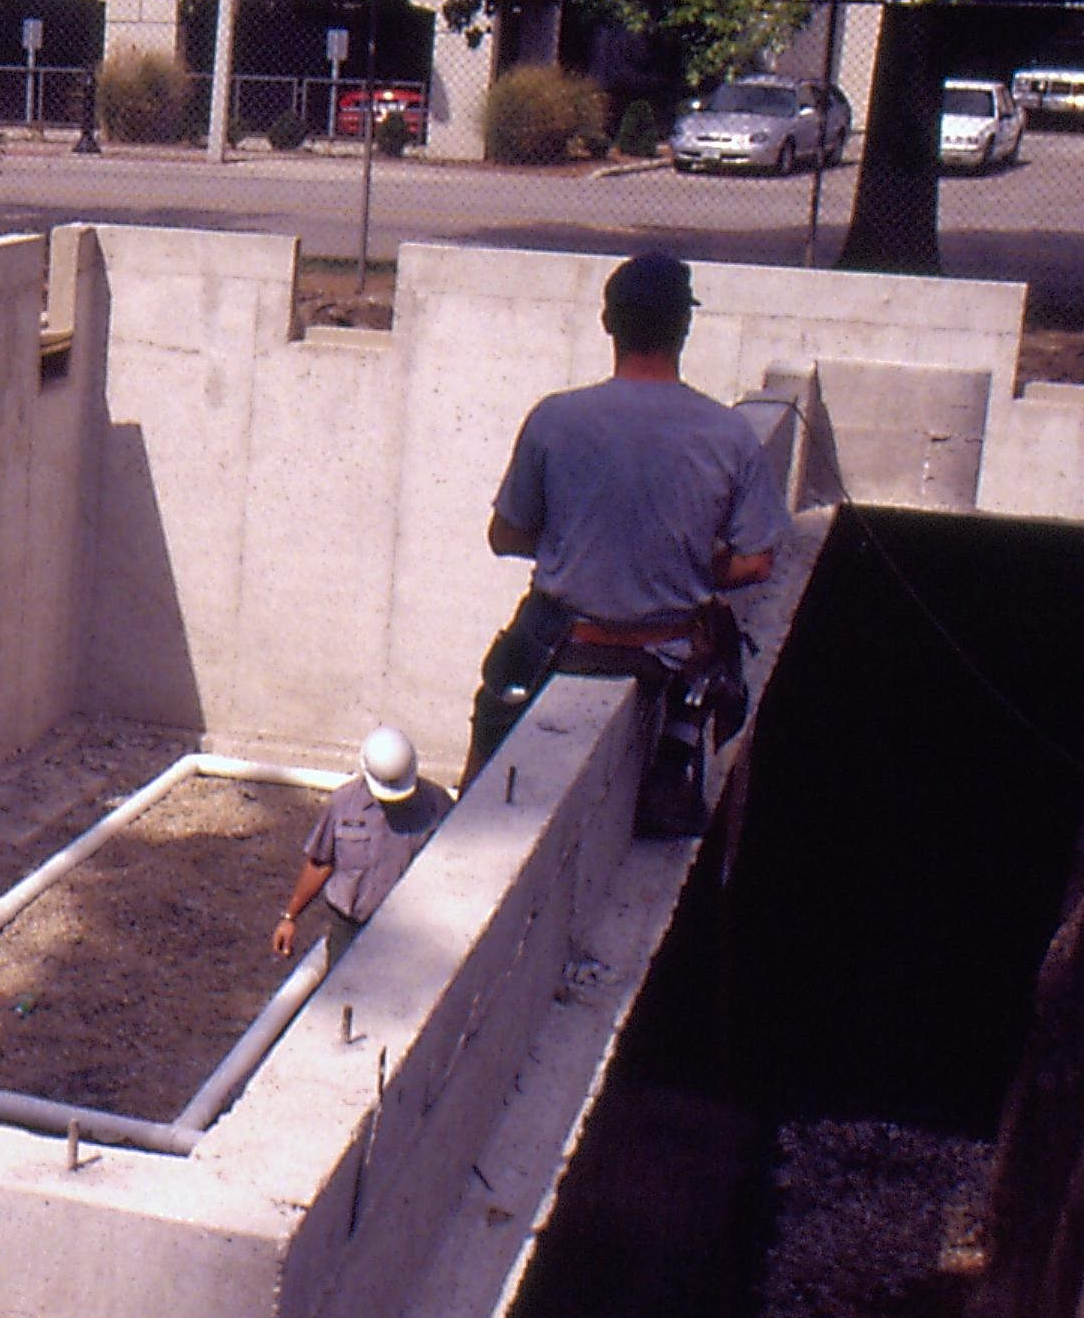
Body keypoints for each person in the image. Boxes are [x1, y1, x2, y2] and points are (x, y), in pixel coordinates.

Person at [468, 251, 791, 837]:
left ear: (608, 323)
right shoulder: (729, 435)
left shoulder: (555, 419)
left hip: (564, 642)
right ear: (684, 327)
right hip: (665, 650)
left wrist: (580, 541)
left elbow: (504, 535)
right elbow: (755, 562)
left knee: (490, 744)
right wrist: (683, 560)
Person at [274, 726, 453, 961]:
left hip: (409, 931)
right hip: (349, 928)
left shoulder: (436, 805)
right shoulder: (344, 804)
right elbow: (320, 863)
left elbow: (452, 865)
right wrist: (290, 917)